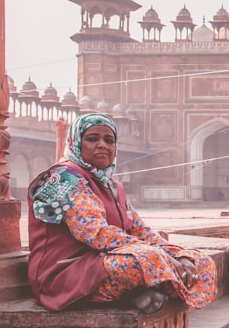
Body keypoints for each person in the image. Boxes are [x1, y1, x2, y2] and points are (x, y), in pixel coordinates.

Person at [27, 113, 217, 314]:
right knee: (150, 259)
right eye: (92, 139)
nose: (102, 145)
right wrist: (163, 257)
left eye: (109, 140)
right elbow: (95, 234)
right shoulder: (63, 178)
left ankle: (133, 293)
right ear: (75, 142)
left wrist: (179, 255)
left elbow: (140, 231)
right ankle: (134, 292)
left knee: (201, 262)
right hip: (64, 274)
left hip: (101, 263)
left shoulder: (111, 184)